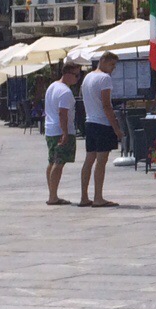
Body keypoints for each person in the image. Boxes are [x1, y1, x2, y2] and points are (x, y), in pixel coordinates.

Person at [78, 51, 122, 208]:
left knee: (89, 160)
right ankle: (98, 197)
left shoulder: (87, 77)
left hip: (90, 122)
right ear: (102, 61)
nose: (113, 68)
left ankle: (84, 197)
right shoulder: (105, 78)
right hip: (102, 124)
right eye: (112, 64)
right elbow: (107, 105)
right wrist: (116, 128)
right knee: (101, 161)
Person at [43, 62, 82, 206]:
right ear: (67, 74)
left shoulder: (52, 86)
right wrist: (65, 133)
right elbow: (63, 114)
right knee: (59, 163)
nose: (78, 78)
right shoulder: (65, 92)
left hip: (50, 129)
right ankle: (53, 197)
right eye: (76, 75)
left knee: (52, 161)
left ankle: (52, 194)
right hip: (60, 130)